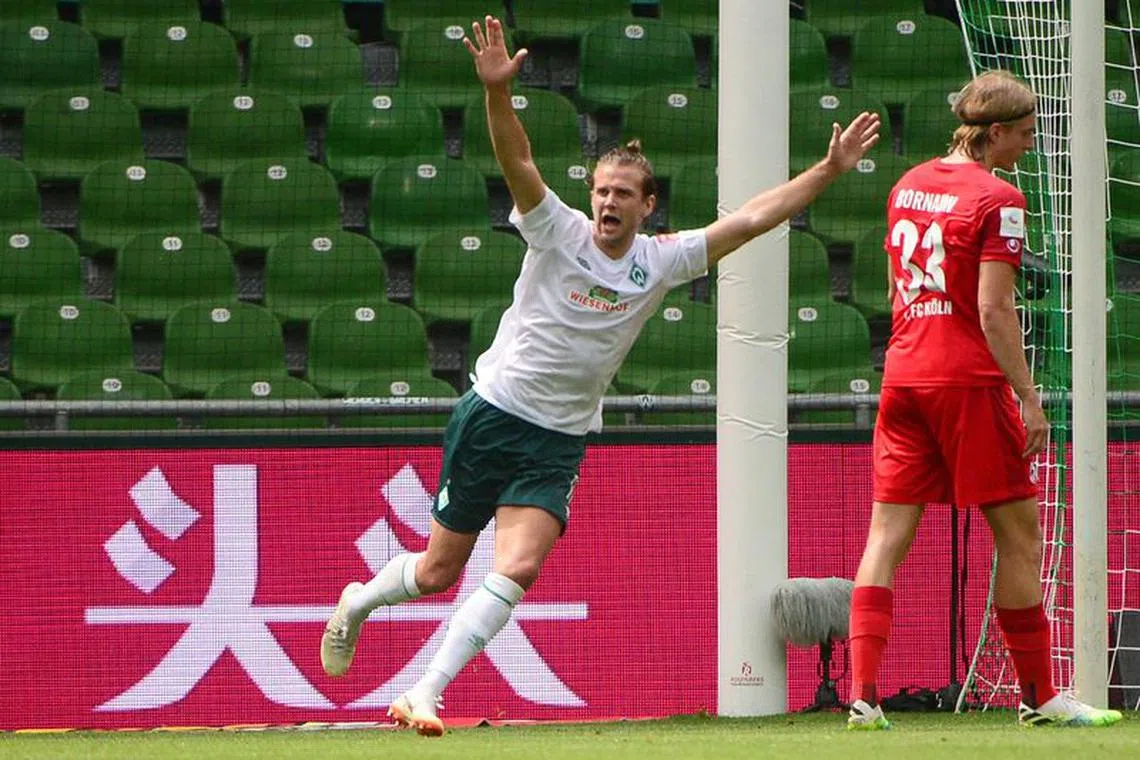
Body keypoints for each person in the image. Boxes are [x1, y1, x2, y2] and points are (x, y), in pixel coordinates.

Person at [320, 15, 879, 736]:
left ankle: (425, 692)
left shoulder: (661, 260)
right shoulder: (557, 231)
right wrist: (498, 95)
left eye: (625, 194)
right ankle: (359, 600)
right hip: (493, 414)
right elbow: (519, 162)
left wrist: (828, 171)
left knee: (518, 568)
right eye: (603, 191)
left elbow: (752, 220)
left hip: (559, 438)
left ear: (648, 207)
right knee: (436, 573)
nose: (609, 202)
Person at [845, 70, 1122, 730]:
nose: (1030, 145)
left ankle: (863, 696)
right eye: (1025, 134)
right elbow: (995, 309)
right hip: (967, 383)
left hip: (904, 376)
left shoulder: (906, 183)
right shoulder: (1000, 197)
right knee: (1020, 538)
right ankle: (1039, 696)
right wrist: (1029, 398)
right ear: (995, 132)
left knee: (885, 537)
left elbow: (894, 285)